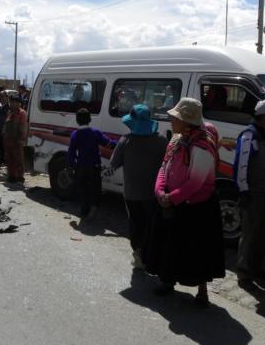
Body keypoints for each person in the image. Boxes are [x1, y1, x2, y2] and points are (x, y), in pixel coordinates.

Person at [142, 98, 225, 307]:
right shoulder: (177, 139)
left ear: (187, 121)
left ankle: (202, 290)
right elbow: (164, 166)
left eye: (175, 117)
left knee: (197, 250)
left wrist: (172, 197)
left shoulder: (203, 145)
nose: (171, 120)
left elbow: (196, 182)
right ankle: (167, 279)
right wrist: (159, 191)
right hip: (172, 200)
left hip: (196, 206)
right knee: (168, 244)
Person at [233, 99, 265, 291]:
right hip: (255, 194)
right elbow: (241, 165)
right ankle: (244, 273)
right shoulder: (250, 135)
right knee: (250, 235)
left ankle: (256, 267)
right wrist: (243, 192)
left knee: (262, 235)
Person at [110, 104, 168, 268]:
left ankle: (139, 253)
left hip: (132, 194)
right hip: (154, 194)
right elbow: (170, 163)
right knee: (153, 224)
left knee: (136, 225)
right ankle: (151, 255)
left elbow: (114, 163)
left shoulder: (125, 140)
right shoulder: (161, 139)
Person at [67, 108, 117, 219]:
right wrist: (119, 142)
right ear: (90, 119)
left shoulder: (74, 135)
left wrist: (71, 166)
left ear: (77, 121)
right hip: (94, 165)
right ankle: (95, 205)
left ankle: (84, 211)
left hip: (80, 166)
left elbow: (71, 153)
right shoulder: (95, 133)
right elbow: (108, 144)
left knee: (82, 189)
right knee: (96, 188)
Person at [3, 94, 28, 183]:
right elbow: (6, 125)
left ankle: (20, 177)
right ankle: (12, 176)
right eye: (11, 102)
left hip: (17, 140)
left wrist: (21, 138)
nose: (12, 104)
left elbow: (23, 127)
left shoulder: (22, 113)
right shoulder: (9, 112)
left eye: (14, 102)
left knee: (18, 159)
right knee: (9, 158)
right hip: (8, 139)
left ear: (18, 103)